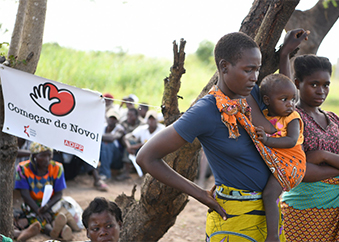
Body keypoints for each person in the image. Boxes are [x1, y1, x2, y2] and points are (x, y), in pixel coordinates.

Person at [136, 29, 308, 242]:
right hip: (233, 218)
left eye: (257, 70)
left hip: (270, 213)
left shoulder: (252, 95)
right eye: (248, 70)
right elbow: (146, 157)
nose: (254, 77)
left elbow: (286, 98)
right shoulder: (206, 111)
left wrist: (285, 54)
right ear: (224, 67)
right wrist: (200, 195)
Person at [281, 54, 339, 241]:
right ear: (297, 83)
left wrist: (322, 156)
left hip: (333, 212)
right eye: (314, 84)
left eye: (326, 85)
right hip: (301, 212)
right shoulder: (293, 118)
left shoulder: (334, 120)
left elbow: (308, 164)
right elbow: (299, 170)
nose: (321, 91)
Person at [255, 73, 306, 241]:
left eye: (293, 99)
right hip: (279, 160)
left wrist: (268, 140)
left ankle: (273, 236)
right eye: (284, 99)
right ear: (267, 100)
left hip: (292, 162)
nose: (290, 104)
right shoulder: (263, 115)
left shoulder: (292, 117)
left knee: (269, 194)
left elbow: (291, 140)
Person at [14, 142, 72, 241]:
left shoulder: (57, 168)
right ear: (34, 156)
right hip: (32, 204)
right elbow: (25, 195)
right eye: (43, 155)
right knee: (38, 217)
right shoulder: (23, 169)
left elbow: (59, 194)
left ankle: (58, 229)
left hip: (51, 203)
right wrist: (38, 210)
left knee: (52, 215)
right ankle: (57, 231)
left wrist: (46, 207)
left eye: (49, 155)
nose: (47, 159)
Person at [99, 108, 125, 180]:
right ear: (107, 118)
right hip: (103, 155)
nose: (112, 120)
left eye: (114, 119)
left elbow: (112, 138)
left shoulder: (120, 129)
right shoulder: (102, 126)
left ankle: (105, 174)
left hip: (116, 159)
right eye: (110, 118)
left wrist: (100, 137)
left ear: (117, 120)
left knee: (107, 144)